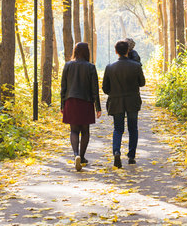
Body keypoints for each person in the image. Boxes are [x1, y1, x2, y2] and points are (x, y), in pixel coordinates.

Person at [102, 40, 146, 168]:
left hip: (116, 102)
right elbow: (142, 83)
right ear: (128, 51)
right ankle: (131, 156)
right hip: (132, 101)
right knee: (133, 129)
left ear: (116, 51)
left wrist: (114, 91)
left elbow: (105, 88)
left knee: (118, 129)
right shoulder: (136, 66)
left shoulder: (110, 67)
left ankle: (116, 151)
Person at [60, 42, 102, 172]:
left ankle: (75, 155)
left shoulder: (68, 65)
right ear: (86, 52)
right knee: (85, 131)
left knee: (74, 130)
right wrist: (98, 107)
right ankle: (82, 157)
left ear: (75, 51)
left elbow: (63, 87)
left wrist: (62, 104)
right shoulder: (90, 67)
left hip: (71, 101)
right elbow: (95, 88)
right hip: (86, 101)